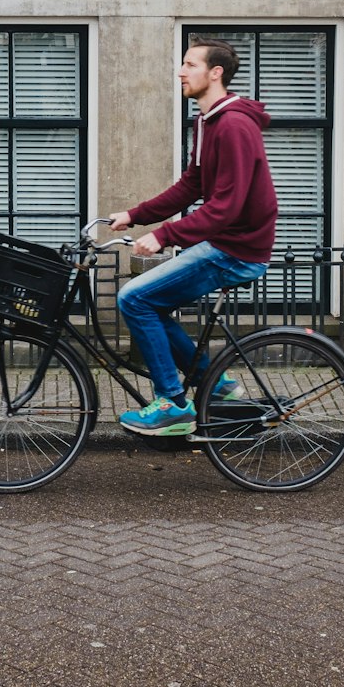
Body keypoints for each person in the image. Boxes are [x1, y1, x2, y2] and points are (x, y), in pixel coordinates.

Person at [109, 38, 278, 436]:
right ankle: (216, 384)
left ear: (215, 73)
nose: (181, 72)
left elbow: (227, 206)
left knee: (133, 298)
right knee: (149, 302)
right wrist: (135, 215)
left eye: (190, 64)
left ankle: (171, 405)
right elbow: (192, 185)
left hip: (237, 249)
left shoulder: (234, 125)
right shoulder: (207, 120)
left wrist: (164, 235)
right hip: (225, 241)